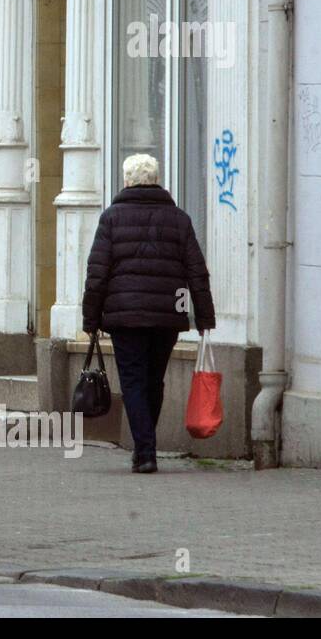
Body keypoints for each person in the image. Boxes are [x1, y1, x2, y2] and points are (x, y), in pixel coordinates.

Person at [81, 154, 216, 473]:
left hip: (125, 318)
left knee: (133, 382)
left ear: (126, 181)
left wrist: (90, 318)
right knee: (154, 380)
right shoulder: (179, 219)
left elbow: (97, 273)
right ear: (156, 180)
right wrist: (205, 318)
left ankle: (145, 452)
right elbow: (197, 271)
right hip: (167, 316)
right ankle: (146, 446)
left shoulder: (112, 218)